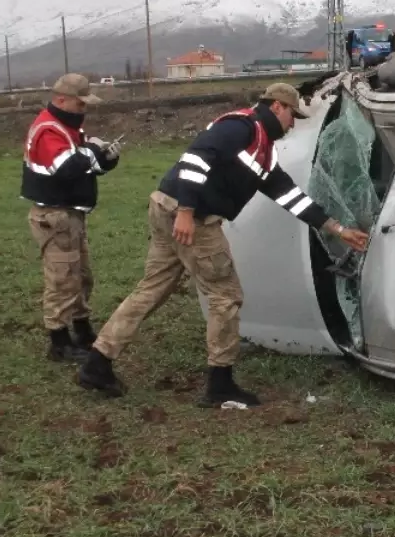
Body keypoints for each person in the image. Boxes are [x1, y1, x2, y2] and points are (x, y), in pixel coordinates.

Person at [77, 84, 369, 407]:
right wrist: (187, 211)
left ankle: (98, 361)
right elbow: (196, 158)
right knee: (226, 296)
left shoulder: (262, 151)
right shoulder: (241, 127)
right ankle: (220, 385)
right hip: (190, 217)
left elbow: (290, 197)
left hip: (165, 206)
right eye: (291, 115)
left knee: (152, 288)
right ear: (276, 107)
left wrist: (336, 228)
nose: (293, 124)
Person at [22, 74, 122, 363]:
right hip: (55, 215)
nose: (84, 109)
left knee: (80, 276)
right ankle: (59, 341)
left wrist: (106, 160)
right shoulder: (49, 130)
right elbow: (65, 167)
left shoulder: (66, 127)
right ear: (62, 99)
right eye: (81, 103)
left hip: (69, 214)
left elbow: (82, 167)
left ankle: (82, 329)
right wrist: (92, 150)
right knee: (62, 279)